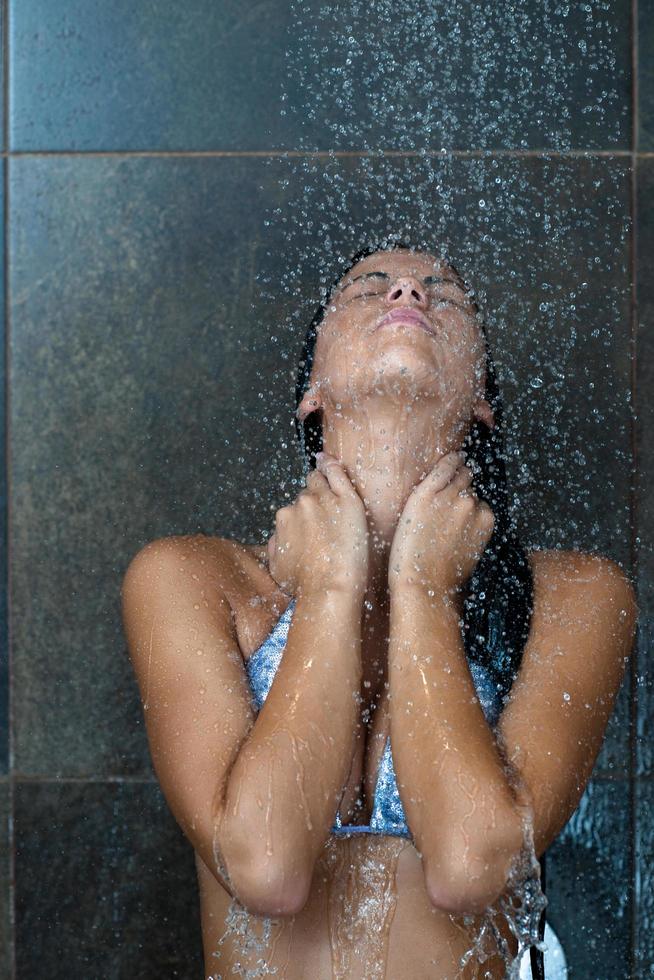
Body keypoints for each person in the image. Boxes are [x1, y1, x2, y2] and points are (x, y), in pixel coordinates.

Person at [121, 243, 638, 979]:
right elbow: (265, 867)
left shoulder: (575, 596)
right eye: (369, 288)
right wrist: (332, 585)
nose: (408, 291)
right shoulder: (190, 581)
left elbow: (471, 866)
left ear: (483, 398)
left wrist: (423, 589)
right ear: (311, 389)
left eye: (445, 294)